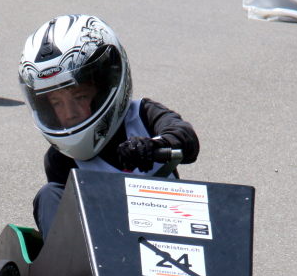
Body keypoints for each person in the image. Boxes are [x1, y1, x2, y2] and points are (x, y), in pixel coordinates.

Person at [18, 14, 200, 235]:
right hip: (108, 243)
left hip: (173, 229)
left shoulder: (143, 114)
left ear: (105, 85)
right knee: (48, 195)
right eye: (57, 103)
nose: (70, 113)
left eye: (80, 97)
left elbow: (186, 138)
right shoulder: (61, 159)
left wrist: (154, 146)